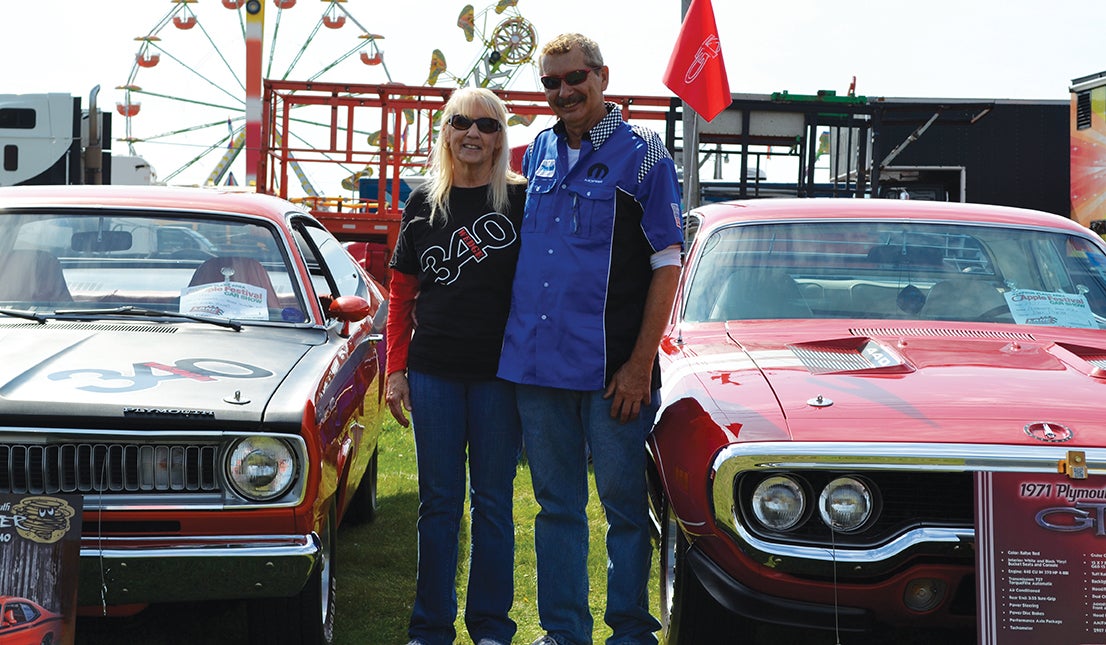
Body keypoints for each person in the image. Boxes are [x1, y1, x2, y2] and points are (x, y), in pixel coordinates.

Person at [498, 33, 684, 645]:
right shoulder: (538, 153)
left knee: (627, 510)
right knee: (557, 509)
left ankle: (630, 631)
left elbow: (667, 264)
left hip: (614, 376)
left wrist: (640, 364)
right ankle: (563, 632)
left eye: (573, 78)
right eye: (549, 83)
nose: (562, 92)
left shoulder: (647, 156)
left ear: (601, 76)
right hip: (538, 371)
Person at [385, 86, 527, 645]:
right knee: (438, 503)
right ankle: (431, 627)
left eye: (487, 126)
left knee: (492, 503)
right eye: (461, 122)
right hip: (435, 372)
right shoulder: (424, 202)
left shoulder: (521, 200)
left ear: (501, 139)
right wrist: (396, 370)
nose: (473, 133)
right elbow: (401, 294)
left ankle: (491, 626)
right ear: (445, 131)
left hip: (500, 376)